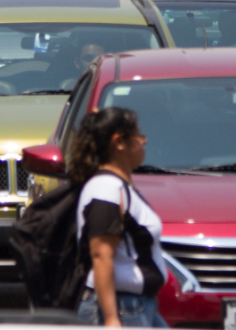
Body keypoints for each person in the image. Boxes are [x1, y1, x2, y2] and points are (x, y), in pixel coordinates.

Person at [69, 107, 166, 328]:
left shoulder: (119, 187)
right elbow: (101, 256)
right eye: (139, 136)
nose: (144, 142)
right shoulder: (106, 190)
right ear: (119, 143)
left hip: (137, 306)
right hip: (123, 308)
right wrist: (112, 318)